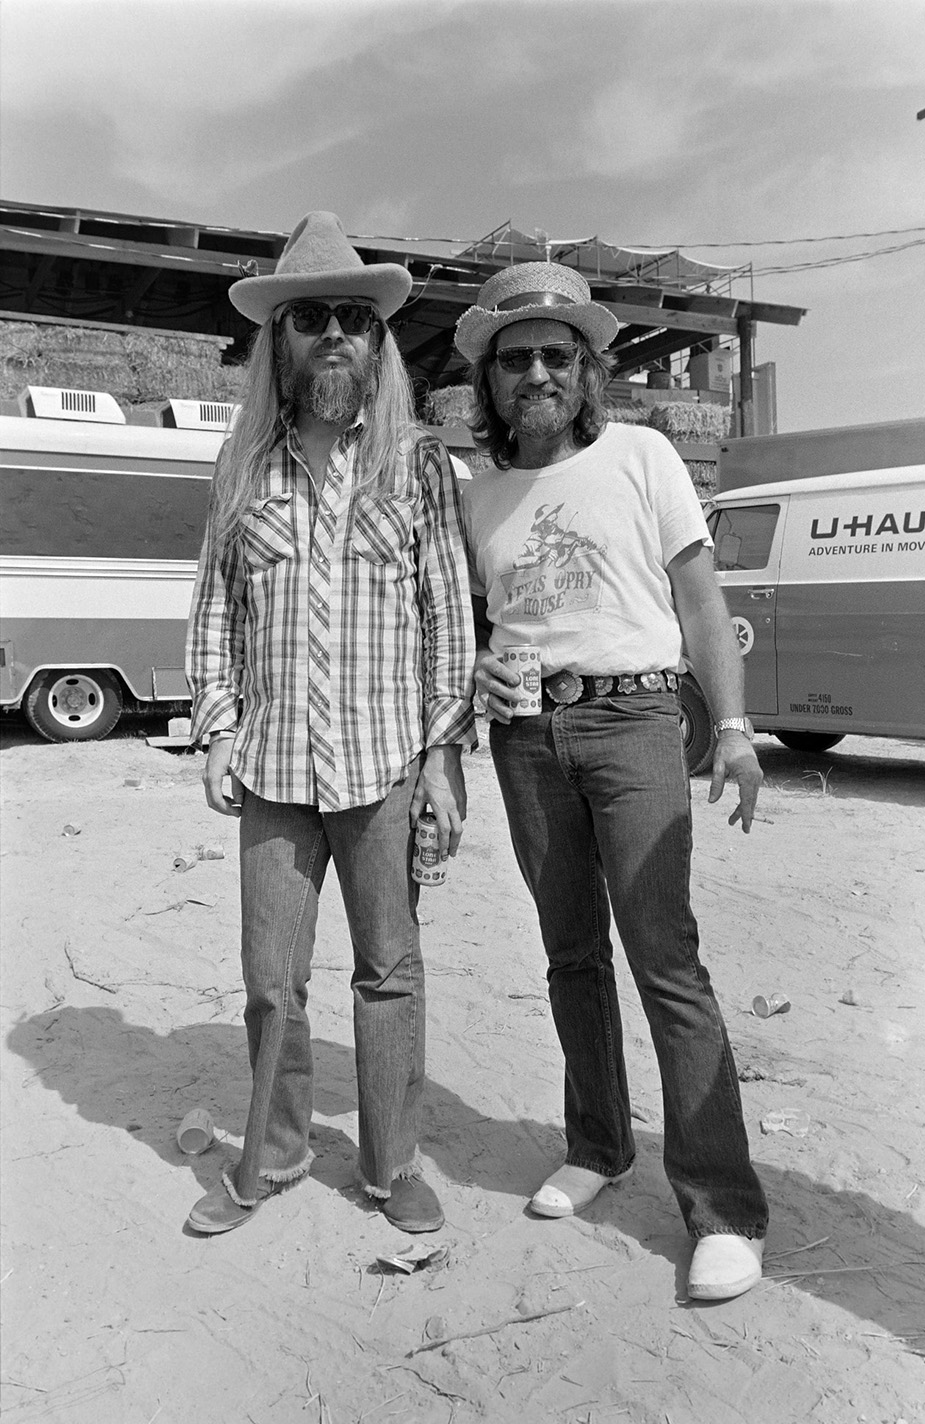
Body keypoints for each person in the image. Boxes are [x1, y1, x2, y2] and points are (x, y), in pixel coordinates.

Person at [455, 262, 769, 1300]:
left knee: (663, 954)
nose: (537, 372)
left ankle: (722, 1206)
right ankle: (597, 1145)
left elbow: (698, 594)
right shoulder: (480, 496)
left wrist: (730, 728)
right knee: (569, 954)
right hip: (527, 736)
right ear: (490, 382)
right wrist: (477, 664)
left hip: (635, 715)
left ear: (586, 370)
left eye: (556, 354)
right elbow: (474, 626)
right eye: (516, 359)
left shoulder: (640, 454)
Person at [185, 211, 476, 1236]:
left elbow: (448, 618)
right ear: (280, 341)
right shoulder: (242, 471)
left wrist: (444, 758)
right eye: (312, 318)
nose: (338, 335)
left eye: (357, 317)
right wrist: (216, 726)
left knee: (389, 971)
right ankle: (273, 1156)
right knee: (272, 980)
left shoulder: (419, 468)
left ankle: (395, 1165)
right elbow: (215, 607)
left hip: (384, 765)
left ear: (378, 340)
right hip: (271, 767)